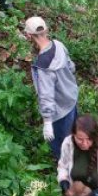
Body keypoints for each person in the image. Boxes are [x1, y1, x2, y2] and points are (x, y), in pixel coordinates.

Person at [25, 16, 79, 158]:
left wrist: (47, 121)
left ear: (29, 36)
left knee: (62, 147)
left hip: (59, 111)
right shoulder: (58, 44)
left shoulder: (43, 65)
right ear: (46, 31)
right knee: (74, 136)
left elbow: (46, 95)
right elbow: (71, 66)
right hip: (71, 99)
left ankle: (67, 174)